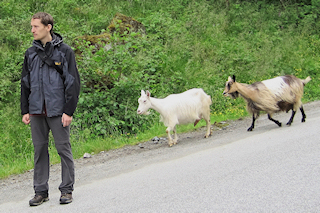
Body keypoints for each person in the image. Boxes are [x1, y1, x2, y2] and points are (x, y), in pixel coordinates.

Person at [20, 12, 80, 206]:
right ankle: (40, 191)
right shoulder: (30, 54)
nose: (32, 30)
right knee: (39, 151)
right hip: (36, 110)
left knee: (63, 149)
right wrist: (25, 110)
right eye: (32, 26)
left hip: (57, 110)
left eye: (36, 26)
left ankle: (66, 190)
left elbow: (73, 83)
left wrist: (68, 111)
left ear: (48, 27)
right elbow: (25, 84)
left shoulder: (65, 51)